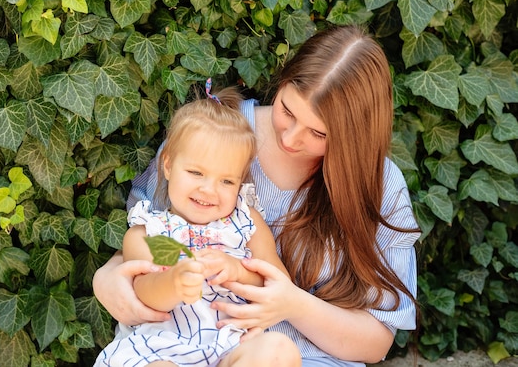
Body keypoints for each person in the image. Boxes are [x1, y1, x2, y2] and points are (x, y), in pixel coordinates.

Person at [93, 25, 421, 366]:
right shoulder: (216, 133)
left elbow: (375, 343)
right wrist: (107, 279)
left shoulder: (379, 185)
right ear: (281, 83)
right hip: (174, 344)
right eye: (287, 112)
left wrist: (291, 303)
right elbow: (147, 241)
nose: (292, 139)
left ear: (354, 135)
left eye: (318, 133)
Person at [94, 85, 301, 367]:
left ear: (240, 181)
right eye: (195, 173)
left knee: (279, 350)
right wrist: (173, 282)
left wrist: (238, 271)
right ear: (167, 166)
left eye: (227, 181)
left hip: (229, 345)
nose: (209, 190)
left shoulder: (245, 222)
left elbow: (278, 284)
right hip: (163, 348)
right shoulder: (151, 232)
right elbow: (143, 294)